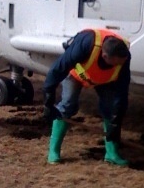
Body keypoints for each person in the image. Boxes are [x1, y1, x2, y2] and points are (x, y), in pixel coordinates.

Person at [42, 29, 131, 165]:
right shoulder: (86, 43)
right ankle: (53, 152)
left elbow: (122, 91)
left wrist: (115, 122)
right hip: (76, 75)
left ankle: (111, 153)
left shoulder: (124, 56)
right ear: (105, 56)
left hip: (104, 80)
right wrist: (48, 102)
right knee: (68, 105)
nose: (120, 65)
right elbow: (57, 70)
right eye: (116, 63)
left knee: (111, 108)